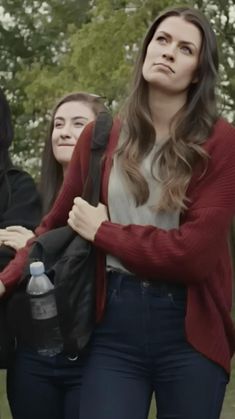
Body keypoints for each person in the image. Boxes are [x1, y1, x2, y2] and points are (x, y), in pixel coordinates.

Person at [0, 6, 235, 419]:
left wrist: (104, 232)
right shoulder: (102, 136)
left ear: (198, 71)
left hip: (190, 327)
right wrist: (5, 279)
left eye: (185, 48)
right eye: (161, 40)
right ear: (146, 50)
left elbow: (194, 255)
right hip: (112, 325)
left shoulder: (221, 140)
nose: (168, 52)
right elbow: (53, 225)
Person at [2, 92, 108, 419]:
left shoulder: (111, 197)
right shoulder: (29, 197)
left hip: (92, 353)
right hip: (33, 356)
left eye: (78, 123)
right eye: (58, 124)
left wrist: (31, 249)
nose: (63, 131)